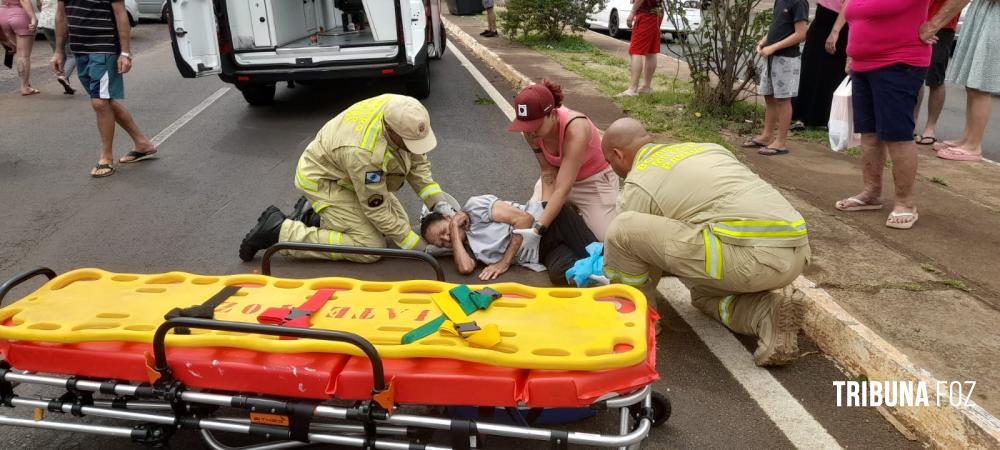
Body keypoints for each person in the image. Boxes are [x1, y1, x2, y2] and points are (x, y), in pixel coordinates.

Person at [601, 118, 810, 366]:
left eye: (609, 162)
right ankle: (766, 313)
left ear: (618, 154)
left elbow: (632, 248)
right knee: (703, 296)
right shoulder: (706, 148)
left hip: (748, 258)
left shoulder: (638, 184)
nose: (611, 167)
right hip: (797, 251)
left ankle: (636, 320)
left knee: (621, 229)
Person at [239, 94, 462, 263]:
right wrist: (422, 249)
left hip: (347, 174)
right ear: (390, 130)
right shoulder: (365, 153)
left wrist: (439, 204)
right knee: (371, 247)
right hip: (324, 180)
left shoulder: (404, 111)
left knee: (398, 225)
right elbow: (377, 209)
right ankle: (280, 231)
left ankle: (319, 217)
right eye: (408, 143)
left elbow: (418, 164)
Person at [832, 0, 966, 229]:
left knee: (897, 135)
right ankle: (871, 193)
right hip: (863, 65)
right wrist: (851, 54)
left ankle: (905, 203)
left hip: (899, 63)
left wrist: (934, 25)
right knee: (869, 133)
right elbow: (858, 17)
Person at [507, 81, 619, 248]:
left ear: (552, 114)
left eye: (535, 126)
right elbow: (547, 172)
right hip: (559, 177)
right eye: (526, 126)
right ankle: (568, 212)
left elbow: (562, 190)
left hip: (593, 182)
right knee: (531, 220)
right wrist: (542, 214)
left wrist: (539, 230)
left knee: (605, 239)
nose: (530, 132)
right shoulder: (530, 131)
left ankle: (605, 209)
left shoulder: (576, 128)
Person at [52, 0, 156, 178]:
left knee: (99, 102)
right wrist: (58, 51)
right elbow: (61, 15)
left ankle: (106, 157)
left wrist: (125, 53)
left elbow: (121, 14)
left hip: (105, 48)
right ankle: (142, 144)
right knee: (104, 101)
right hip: (80, 50)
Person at [421, 195, 598, 284]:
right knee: (561, 275)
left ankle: (610, 269)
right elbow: (465, 268)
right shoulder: (465, 250)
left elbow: (525, 219)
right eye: (441, 242)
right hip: (544, 251)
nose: (446, 238)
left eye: (444, 230)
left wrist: (504, 262)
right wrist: (453, 229)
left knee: (597, 255)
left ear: (447, 217)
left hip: (551, 223)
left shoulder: (474, 207)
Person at [932, 0, 996, 162]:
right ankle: (967, 139)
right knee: (972, 85)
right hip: (984, 12)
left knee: (980, 85)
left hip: (994, 18)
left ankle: (974, 145)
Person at [743, 0, 808, 156]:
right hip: (771, 57)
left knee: (783, 99)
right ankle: (767, 135)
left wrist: (774, 47)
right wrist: (763, 42)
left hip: (787, 59)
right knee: (769, 96)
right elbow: (776, 26)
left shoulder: (799, 3)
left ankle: (780, 142)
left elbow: (800, 34)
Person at [790, 0, 847, 129]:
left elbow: (849, 3)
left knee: (830, 73)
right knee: (809, 67)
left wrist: (835, 31)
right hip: (821, 18)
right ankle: (802, 116)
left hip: (838, 23)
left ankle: (824, 119)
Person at [913, 0, 963, 147]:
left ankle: (930, 128)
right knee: (913, 75)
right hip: (914, 20)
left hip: (942, 25)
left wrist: (934, 25)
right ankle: (911, 125)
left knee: (935, 77)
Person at [618, 0, 662, 97]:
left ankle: (633, 89)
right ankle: (646, 86)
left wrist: (632, 13)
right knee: (651, 51)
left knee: (636, 51)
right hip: (656, 13)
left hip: (646, 14)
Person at [1, 0, 39, 95]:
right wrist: (33, 17)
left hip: (3, 13)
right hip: (20, 14)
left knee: (18, 51)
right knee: (23, 55)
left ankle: (26, 83)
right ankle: (25, 87)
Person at [37, 0, 75, 94]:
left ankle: (66, 83)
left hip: (45, 21)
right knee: (71, 55)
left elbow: (39, 4)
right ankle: (64, 76)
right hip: (61, 21)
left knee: (58, 53)